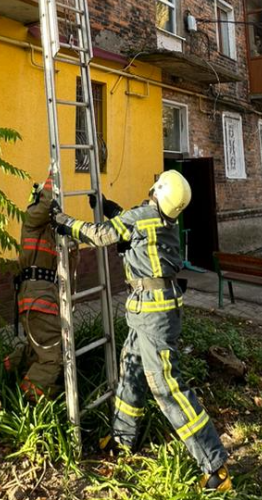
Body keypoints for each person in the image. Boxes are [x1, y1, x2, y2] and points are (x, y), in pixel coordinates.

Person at [49, 170, 232, 492]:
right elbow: (131, 225)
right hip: (152, 309)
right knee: (131, 371)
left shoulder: (143, 216)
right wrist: (109, 207)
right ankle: (122, 439)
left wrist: (63, 222)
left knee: (166, 387)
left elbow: (100, 235)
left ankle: (215, 466)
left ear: (158, 191)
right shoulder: (164, 222)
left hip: (152, 313)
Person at [9, 177, 71, 401]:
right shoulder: (32, 219)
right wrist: (53, 176)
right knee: (52, 356)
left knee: (38, 348)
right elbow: (45, 206)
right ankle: (31, 396)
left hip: (43, 296)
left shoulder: (47, 230)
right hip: (38, 297)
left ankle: (8, 368)